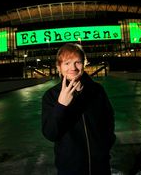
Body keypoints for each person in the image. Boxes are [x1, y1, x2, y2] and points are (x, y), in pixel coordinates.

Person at [41, 43, 116, 175]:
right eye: (67, 63)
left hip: (100, 165)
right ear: (59, 67)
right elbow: (50, 134)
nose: (73, 68)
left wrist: (104, 147)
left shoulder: (97, 90)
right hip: (71, 168)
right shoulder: (51, 96)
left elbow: (109, 121)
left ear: (84, 64)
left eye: (78, 62)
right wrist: (61, 105)